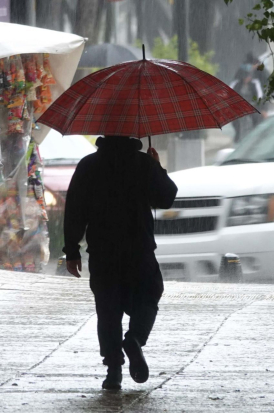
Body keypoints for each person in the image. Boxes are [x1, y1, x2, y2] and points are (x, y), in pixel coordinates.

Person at [63, 136, 177, 390]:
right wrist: (157, 167)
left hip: (103, 251)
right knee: (149, 294)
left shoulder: (89, 165)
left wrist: (71, 251)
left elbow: (74, 210)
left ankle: (113, 370)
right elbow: (167, 197)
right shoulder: (143, 163)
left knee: (108, 311)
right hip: (140, 248)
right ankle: (135, 338)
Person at [229, 53, 268, 143]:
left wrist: (263, 108)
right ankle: (238, 134)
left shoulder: (258, 78)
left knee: (257, 117)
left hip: (254, 103)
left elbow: (261, 95)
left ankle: (256, 136)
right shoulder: (237, 82)